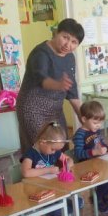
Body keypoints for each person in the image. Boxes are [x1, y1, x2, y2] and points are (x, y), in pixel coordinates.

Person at [16, 18, 85, 153]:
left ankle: (62, 167)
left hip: (55, 110)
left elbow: (73, 94)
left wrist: (86, 120)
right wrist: (59, 85)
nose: (68, 44)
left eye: (74, 42)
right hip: (33, 108)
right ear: (56, 33)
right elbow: (42, 80)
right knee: (43, 148)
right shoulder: (41, 53)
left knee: (60, 144)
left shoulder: (70, 58)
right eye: (65, 37)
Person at [21, 122, 75, 216]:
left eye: (57, 150)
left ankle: (53, 215)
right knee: (59, 210)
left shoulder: (54, 151)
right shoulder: (31, 154)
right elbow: (26, 172)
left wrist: (66, 166)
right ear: (42, 142)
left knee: (75, 204)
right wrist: (48, 170)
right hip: (36, 192)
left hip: (52, 189)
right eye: (53, 149)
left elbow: (69, 160)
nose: (54, 152)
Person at [73, 101, 108, 214]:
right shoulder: (80, 134)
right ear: (84, 119)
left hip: (100, 163)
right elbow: (78, 153)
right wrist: (94, 152)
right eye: (95, 122)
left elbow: (101, 143)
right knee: (106, 179)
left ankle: (103, 194)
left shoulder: (96, 131)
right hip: (86, 167)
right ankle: (98, 198)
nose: (98, 125)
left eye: (100, 122)